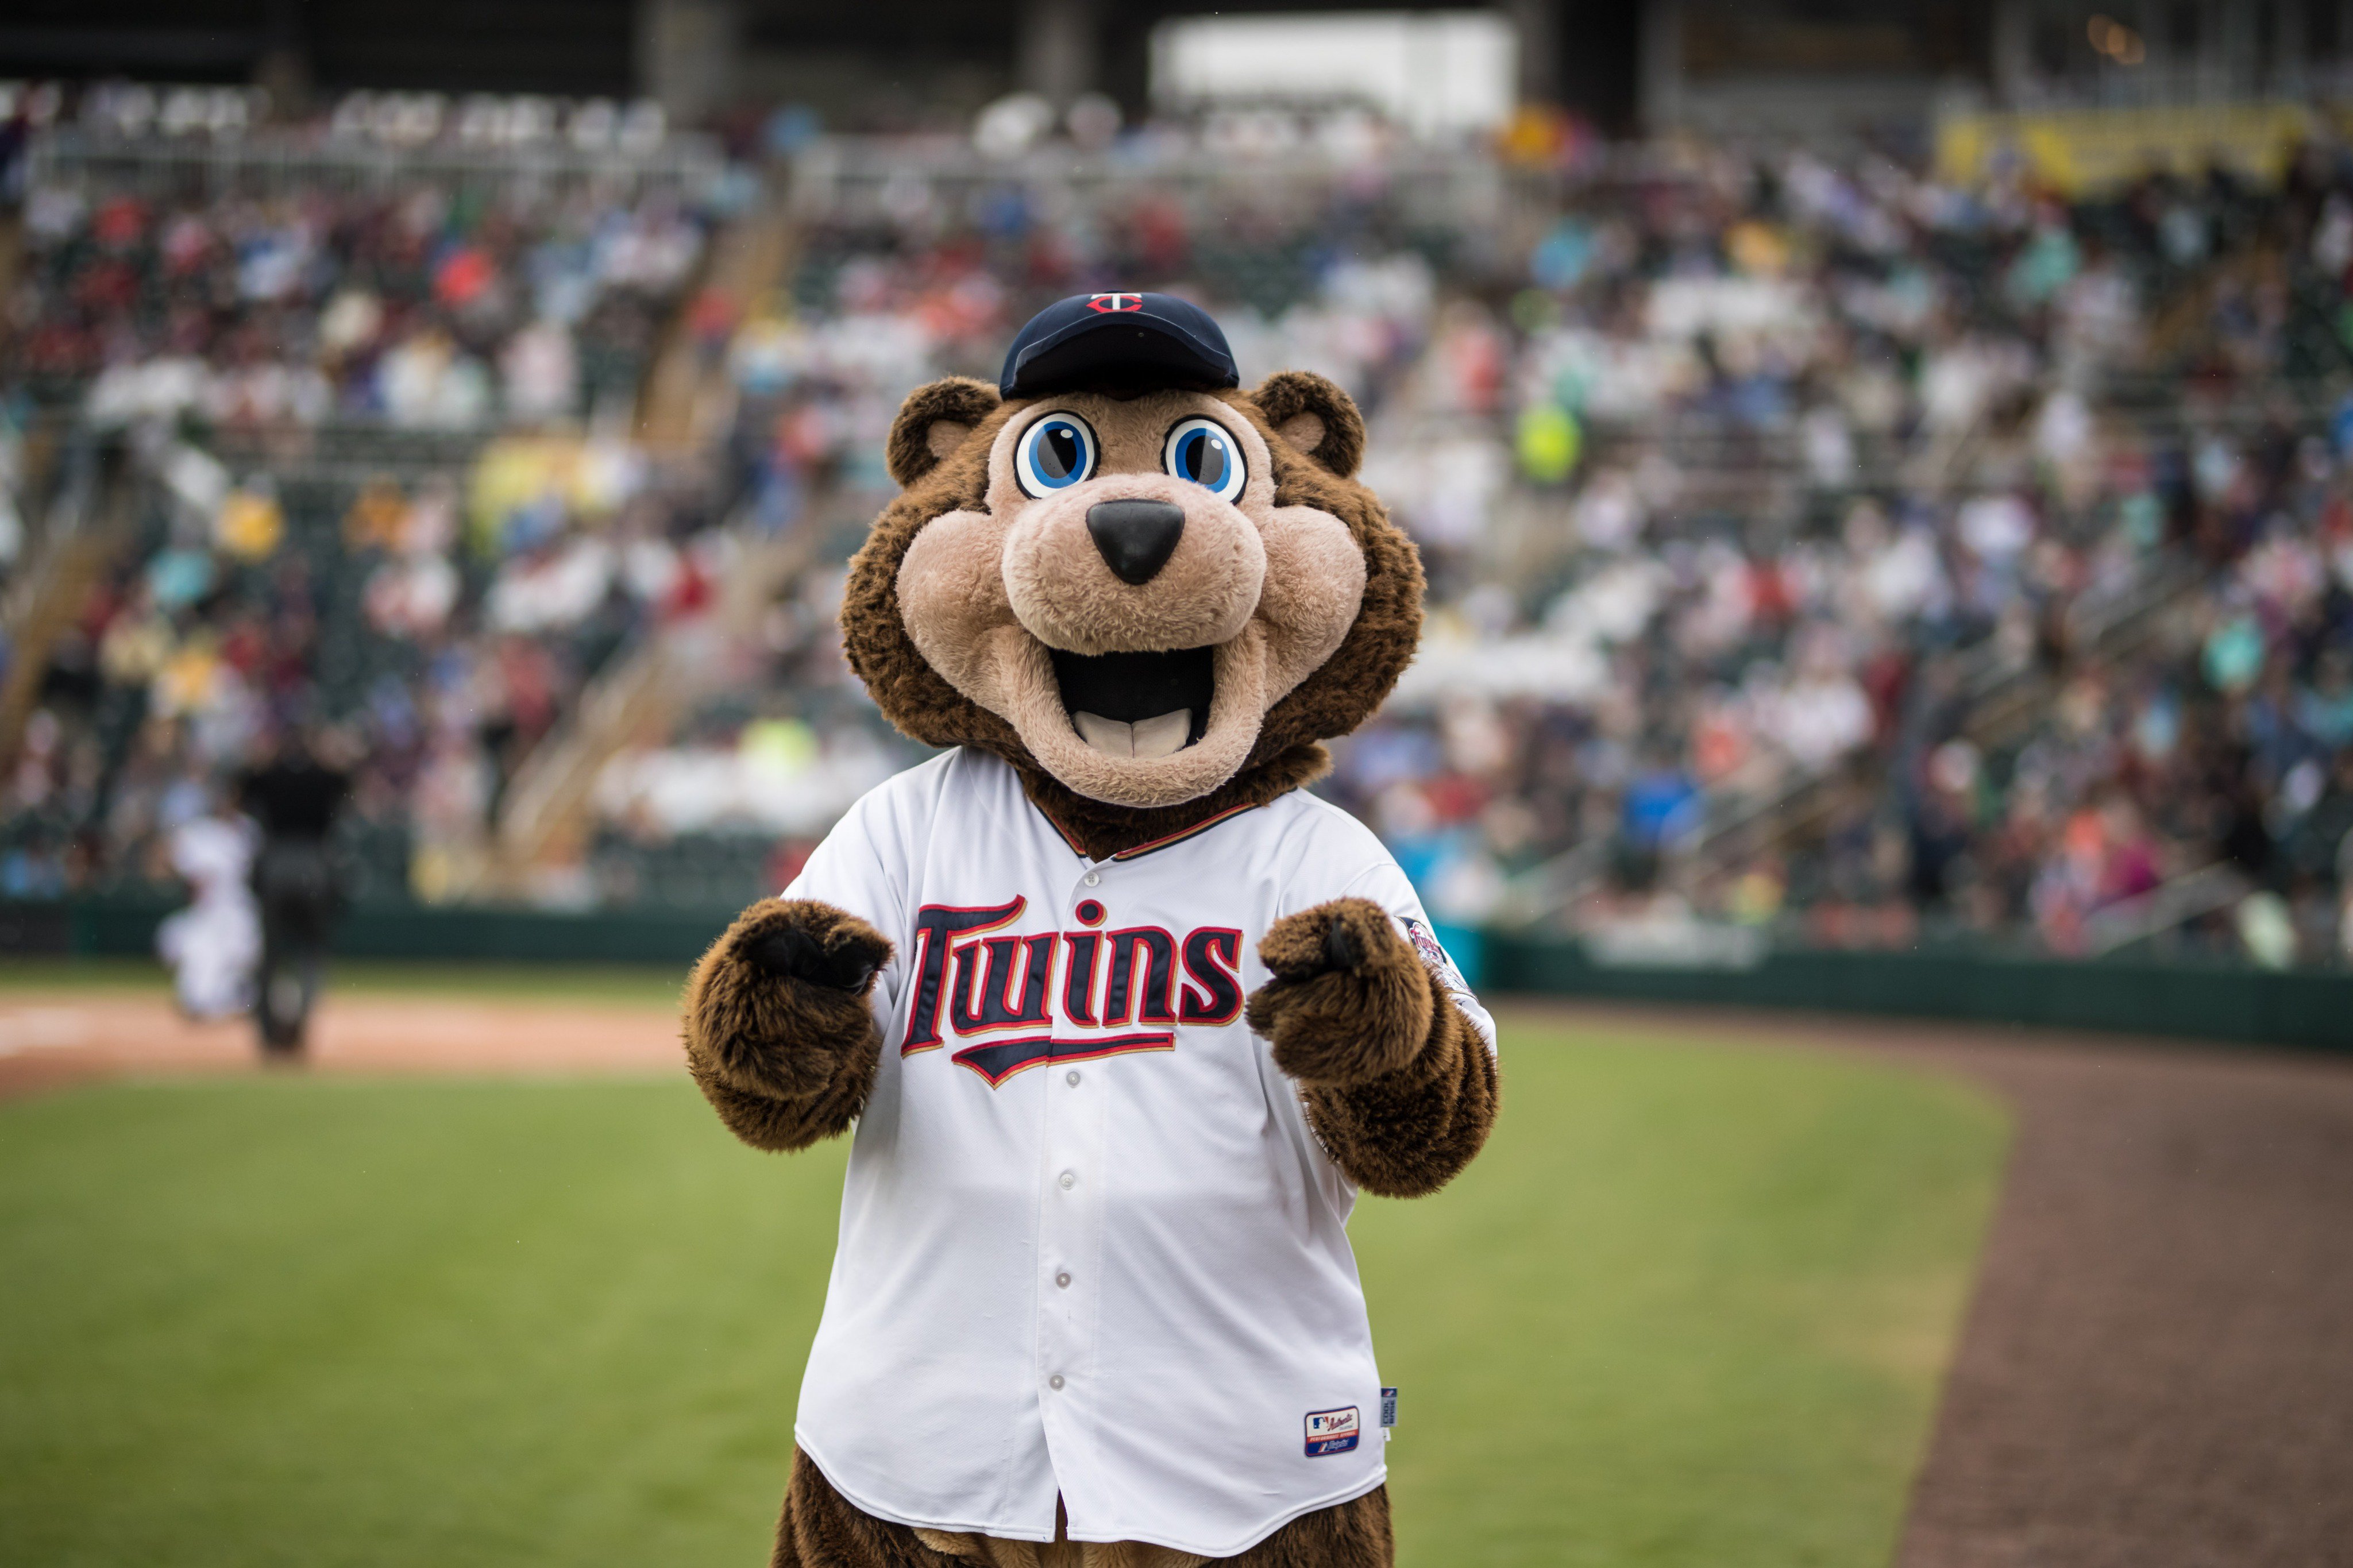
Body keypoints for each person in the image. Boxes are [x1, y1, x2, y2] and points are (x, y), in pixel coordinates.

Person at [236, 730, 352, 1057]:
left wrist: (264, 758)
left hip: (275, 862)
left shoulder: (270, 775)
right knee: (311, 953)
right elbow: (346, 786)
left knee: (269, 955)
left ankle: (269, 1035)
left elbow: (243, 787)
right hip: (314, 864)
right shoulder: (323, 776)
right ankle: (299, 1027)